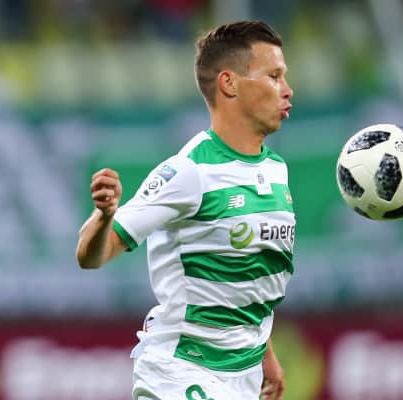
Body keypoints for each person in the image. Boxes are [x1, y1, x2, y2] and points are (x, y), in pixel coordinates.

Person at [76, 20, 295, 400]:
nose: (288, 90)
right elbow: (91, 255)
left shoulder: (276, 169)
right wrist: (106, 215)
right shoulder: (189, 171)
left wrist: (265, 353)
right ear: (229, 84)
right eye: (273, 76)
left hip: (241, 374)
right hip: (181, 371)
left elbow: (249, 278)